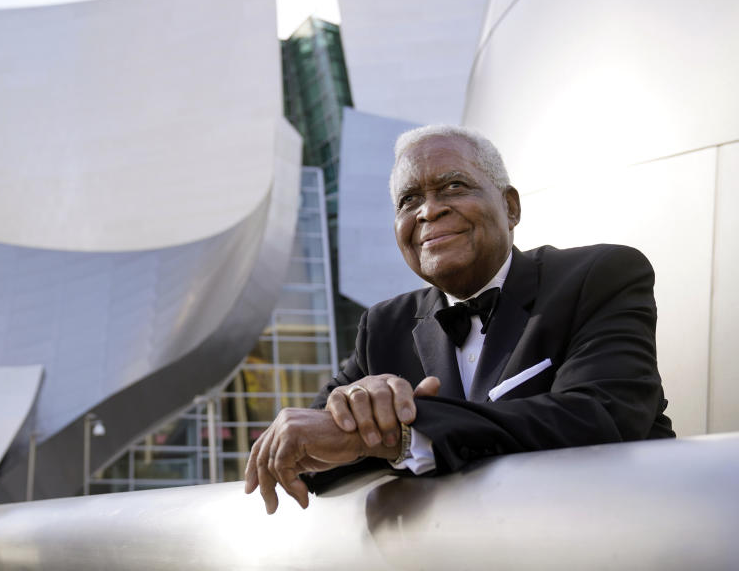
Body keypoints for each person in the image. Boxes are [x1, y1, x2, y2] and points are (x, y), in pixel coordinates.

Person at [244, 124, 674, 514]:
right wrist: (356, 413)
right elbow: (307, 459)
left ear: (510, 207)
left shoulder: (600, 276)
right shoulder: (384, 326)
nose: (429, 211)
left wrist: (398, 434)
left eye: (453, 186)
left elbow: (602, 417)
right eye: (409, 200)